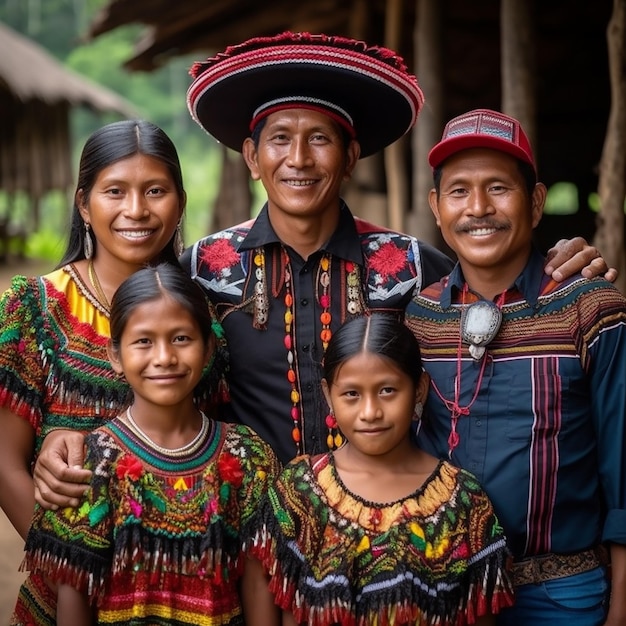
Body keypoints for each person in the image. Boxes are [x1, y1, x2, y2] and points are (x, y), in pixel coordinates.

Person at [33, 33, 614, 498]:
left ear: (351, 156)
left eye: (320, 138)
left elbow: (500, 292)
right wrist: (68, 432)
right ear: (253, 159)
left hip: (385, 539)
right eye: (280, 139)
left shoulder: (411, 265)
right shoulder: (201, 269)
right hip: (248, 537)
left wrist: (568, 266)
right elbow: (150, 368)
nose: (299, 159)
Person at [405, 108, 626, 624]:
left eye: (499, 188)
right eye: (458, 191)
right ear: (436, 208)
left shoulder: (589, 308)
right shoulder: (422, 318)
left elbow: (622, 463)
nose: (478, 208)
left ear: (536, 202)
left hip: (563, 594)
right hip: (443, 588)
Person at [0, 119, 191, 626]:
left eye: (155, 191)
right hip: (66, 595)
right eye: (115, 192)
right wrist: (72, 568)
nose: (136, 210)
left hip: (182, 591)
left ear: (180, 201)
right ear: (84, 204)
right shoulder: (38, 308)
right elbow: (4, 461)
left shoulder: (201, 312)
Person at [20, 264, 280, 626]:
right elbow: (74, 594)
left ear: (208, 350)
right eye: (144, 341)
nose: (164, 357)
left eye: (181, 338)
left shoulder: (248, 456)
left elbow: (257, 584)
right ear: (115, 355)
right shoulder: (93, 464)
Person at [252, 313, 514, 625]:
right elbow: (264, 593)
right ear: (328, 395)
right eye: (351, 394)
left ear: (419, 389)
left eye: (387, 390)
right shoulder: (298, 492)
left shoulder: (462, 501)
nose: (370, 412)